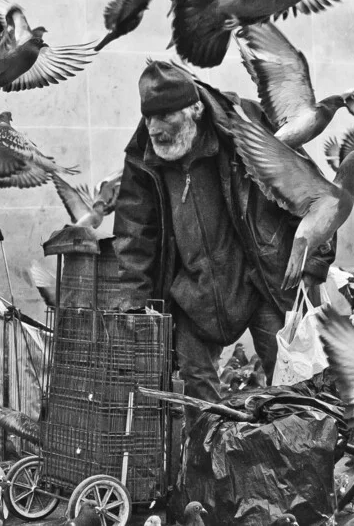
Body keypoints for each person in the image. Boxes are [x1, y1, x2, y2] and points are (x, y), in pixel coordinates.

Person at [113, 59, 335, 405]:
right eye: (149, 119)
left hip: (260, 280)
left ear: (195, 110)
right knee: (196, 405)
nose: (155, 130)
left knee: (293, 393)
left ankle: (295, 456)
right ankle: (207, 458)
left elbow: (313, 194)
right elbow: (134, 231)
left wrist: (313, 264)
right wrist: (133, 302)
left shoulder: (243, 124)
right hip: (192, 293)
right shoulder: (143, 154)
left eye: (166, 120)